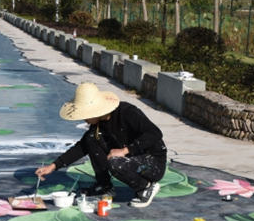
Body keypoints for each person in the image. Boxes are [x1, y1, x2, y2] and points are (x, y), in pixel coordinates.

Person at [35, 83, 167, 208]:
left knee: (115, 162)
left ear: (95, 111)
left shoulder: (127, 112)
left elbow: (155, 133)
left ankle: (145, 187)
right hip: (130, 159)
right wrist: (54, 166)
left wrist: (125, 150)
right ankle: (104, 186)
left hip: (152, 163)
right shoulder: (98, 124)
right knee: (92, 139)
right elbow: (82, 147)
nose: (84, 119)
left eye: (85, 114)